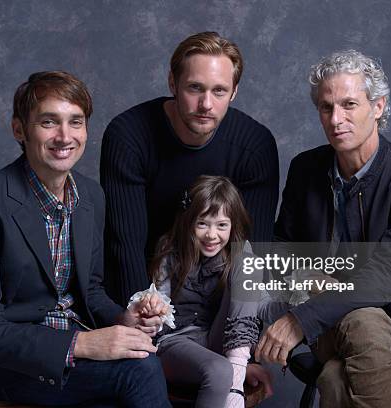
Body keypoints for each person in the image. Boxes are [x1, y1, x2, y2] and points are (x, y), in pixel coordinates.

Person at [0, 71, 170, 407]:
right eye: (49, 122)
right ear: (19, 129)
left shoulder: (91, 196)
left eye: (75, 122)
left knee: (130, 380)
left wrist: (123, 319)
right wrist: (83, 344)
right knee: (141, 372)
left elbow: (88, 289)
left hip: (68, 342)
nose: (65, 136)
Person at [256, 50, 391, 407]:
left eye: (349, 105)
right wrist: (310, 280)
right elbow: (279, 249)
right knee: (362, 325)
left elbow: (388, 276)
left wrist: (299, 320)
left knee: (336, 373)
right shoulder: (306, 169)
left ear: (378, 106)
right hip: (324, 323)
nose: (336, 119)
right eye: (326, 108)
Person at [100, 31, 280, 306]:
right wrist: (142, 315)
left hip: (220, 296)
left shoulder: (255, 146)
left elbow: (252, 253)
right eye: (195, 88)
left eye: (219, 91)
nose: (206, 104)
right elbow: (125, 247)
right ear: (173, 83)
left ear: (234, 92)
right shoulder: (129, 136)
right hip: (148, 286)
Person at [149, 175, 272, 408]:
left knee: (247, 260)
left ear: (233, 225)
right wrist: (152, 311)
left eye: (222, 225)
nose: (212, 235)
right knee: (219, 370)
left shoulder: (239, 257)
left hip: (218, 339)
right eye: (202, 223)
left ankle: (236, 369)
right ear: (189, 222)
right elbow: (160, 308)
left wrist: (296, 297)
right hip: (176, 341)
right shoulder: (170, 248)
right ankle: (234, 376)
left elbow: (260, 304)